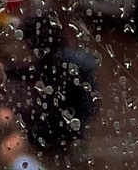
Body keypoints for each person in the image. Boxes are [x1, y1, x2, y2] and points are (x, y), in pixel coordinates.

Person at [14, 9, 99, 157]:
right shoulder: (62, 56)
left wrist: (26, 132)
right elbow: (35, 71)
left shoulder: (60, 67)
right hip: (73, 122)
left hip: (65, 131)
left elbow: (53, 113)